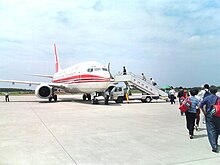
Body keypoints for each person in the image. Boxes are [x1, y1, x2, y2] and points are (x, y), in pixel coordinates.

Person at [199, 86, 220, 153]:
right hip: (217, 115)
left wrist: (204, 113)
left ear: (210, 91)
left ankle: (214, 146)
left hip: (209, 115)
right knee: (216, 130)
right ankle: (215, 143)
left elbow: (200, 105)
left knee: (211, 131)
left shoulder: (207, 98)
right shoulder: (219, 98)